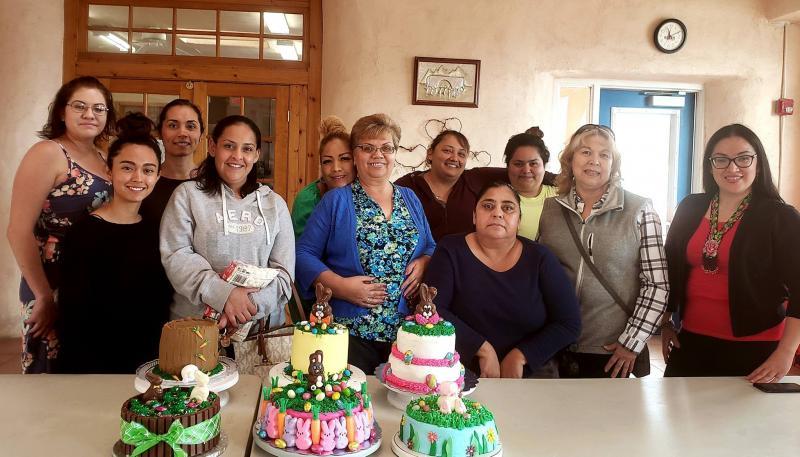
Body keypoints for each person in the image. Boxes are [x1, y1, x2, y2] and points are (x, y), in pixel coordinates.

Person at [296, 113, 436, 374]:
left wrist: (425, 260)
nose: (378, 155)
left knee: (397, 404)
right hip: (352, 332)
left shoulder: (410, 198)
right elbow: (303, 254)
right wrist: (341, 287)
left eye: (386, 148)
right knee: (353, 409)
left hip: (406, 332)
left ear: (395, 153)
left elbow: (430, 244)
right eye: (367, 148)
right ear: (355, 155)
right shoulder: (336, 201)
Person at [662, 124, 800, 382]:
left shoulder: (781, 217)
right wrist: (666, 321)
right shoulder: (691, 207)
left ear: (758, 163)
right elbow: (669, 268)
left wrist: (786, 351)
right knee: (680, 420)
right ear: (710, 165)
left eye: (743, 158)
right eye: (721, 160)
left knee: (744, 423)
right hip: (690, 341)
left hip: (755, 348)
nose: (732, 168)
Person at [538, 124, 669, 378]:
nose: (594, 161)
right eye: (585, 152)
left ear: (614, 164)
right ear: (570, 159)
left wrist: (632, 343)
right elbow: (539, 274)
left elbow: (657, 285)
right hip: (554, 344)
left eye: (604, 155)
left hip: (612, 351)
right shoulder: (550, 209)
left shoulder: (640, 210)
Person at [7, 76, 114, 373]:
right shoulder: (48, 153)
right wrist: (42, 293)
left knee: (88, 368)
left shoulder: (105, 158)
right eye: (80, 106)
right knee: (51, 369)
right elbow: (18, 230)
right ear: (61, 112)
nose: (89, 114)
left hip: (91, 278)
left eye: (99, 108)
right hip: (52, 278)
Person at [424, 182, 581, 378]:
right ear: (474, 215)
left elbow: (569, 323)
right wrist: (481, 349)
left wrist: (521, 356)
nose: (498, 213)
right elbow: (432, 309)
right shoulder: (450, 249)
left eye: (508, 208)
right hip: (458, 372)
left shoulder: (540, 257)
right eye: (488, 206)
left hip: (533, 373)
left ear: (519, 220)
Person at [56, 113, 172, 373]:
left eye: (148, 170)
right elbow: (72, 318)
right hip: (93, 367)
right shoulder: (84, 232)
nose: (138, 178)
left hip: (151, 365)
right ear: (109, 170)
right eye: (127, 167)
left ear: (158, 175)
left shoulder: (158, 230)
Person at [160, 115, 294, 335]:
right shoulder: (187, 195)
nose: (237, 156)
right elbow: (177, 255)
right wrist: (224, 295)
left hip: (259, 334)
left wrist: (245, 307)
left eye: (247, 149)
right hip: (196, 328)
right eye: (229, 146)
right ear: (213, 147)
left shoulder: (274, 204)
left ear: (257, 154)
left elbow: (284, 274)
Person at [395, 130, 505, 241]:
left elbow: (515, 172)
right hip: (420, 258)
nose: (454, 158)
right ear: (430, 153)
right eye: (447, 151)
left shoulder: (473, 179)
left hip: (464, 257)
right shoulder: (406, 187)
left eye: (461, 154)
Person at [139, 99, 204, 226]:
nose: (182, 133)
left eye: (190, 126)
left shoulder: (212, 182)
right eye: (173, 125)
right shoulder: (144, 181)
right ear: (160, 133)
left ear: (201, 134)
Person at [291, 116, 355, 240]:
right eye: (327, 161)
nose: (336, 168)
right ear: (320, 165)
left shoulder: (367, 193)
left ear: (355, 161)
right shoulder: (307, 199)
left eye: (345, 158)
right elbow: (302, 250)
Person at [503, 130, 558, 240]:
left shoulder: (562, 196)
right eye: (518, 164)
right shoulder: (497, 197)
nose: (526, 170)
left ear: (544, 166)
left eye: (533, 163)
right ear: (508, 166)